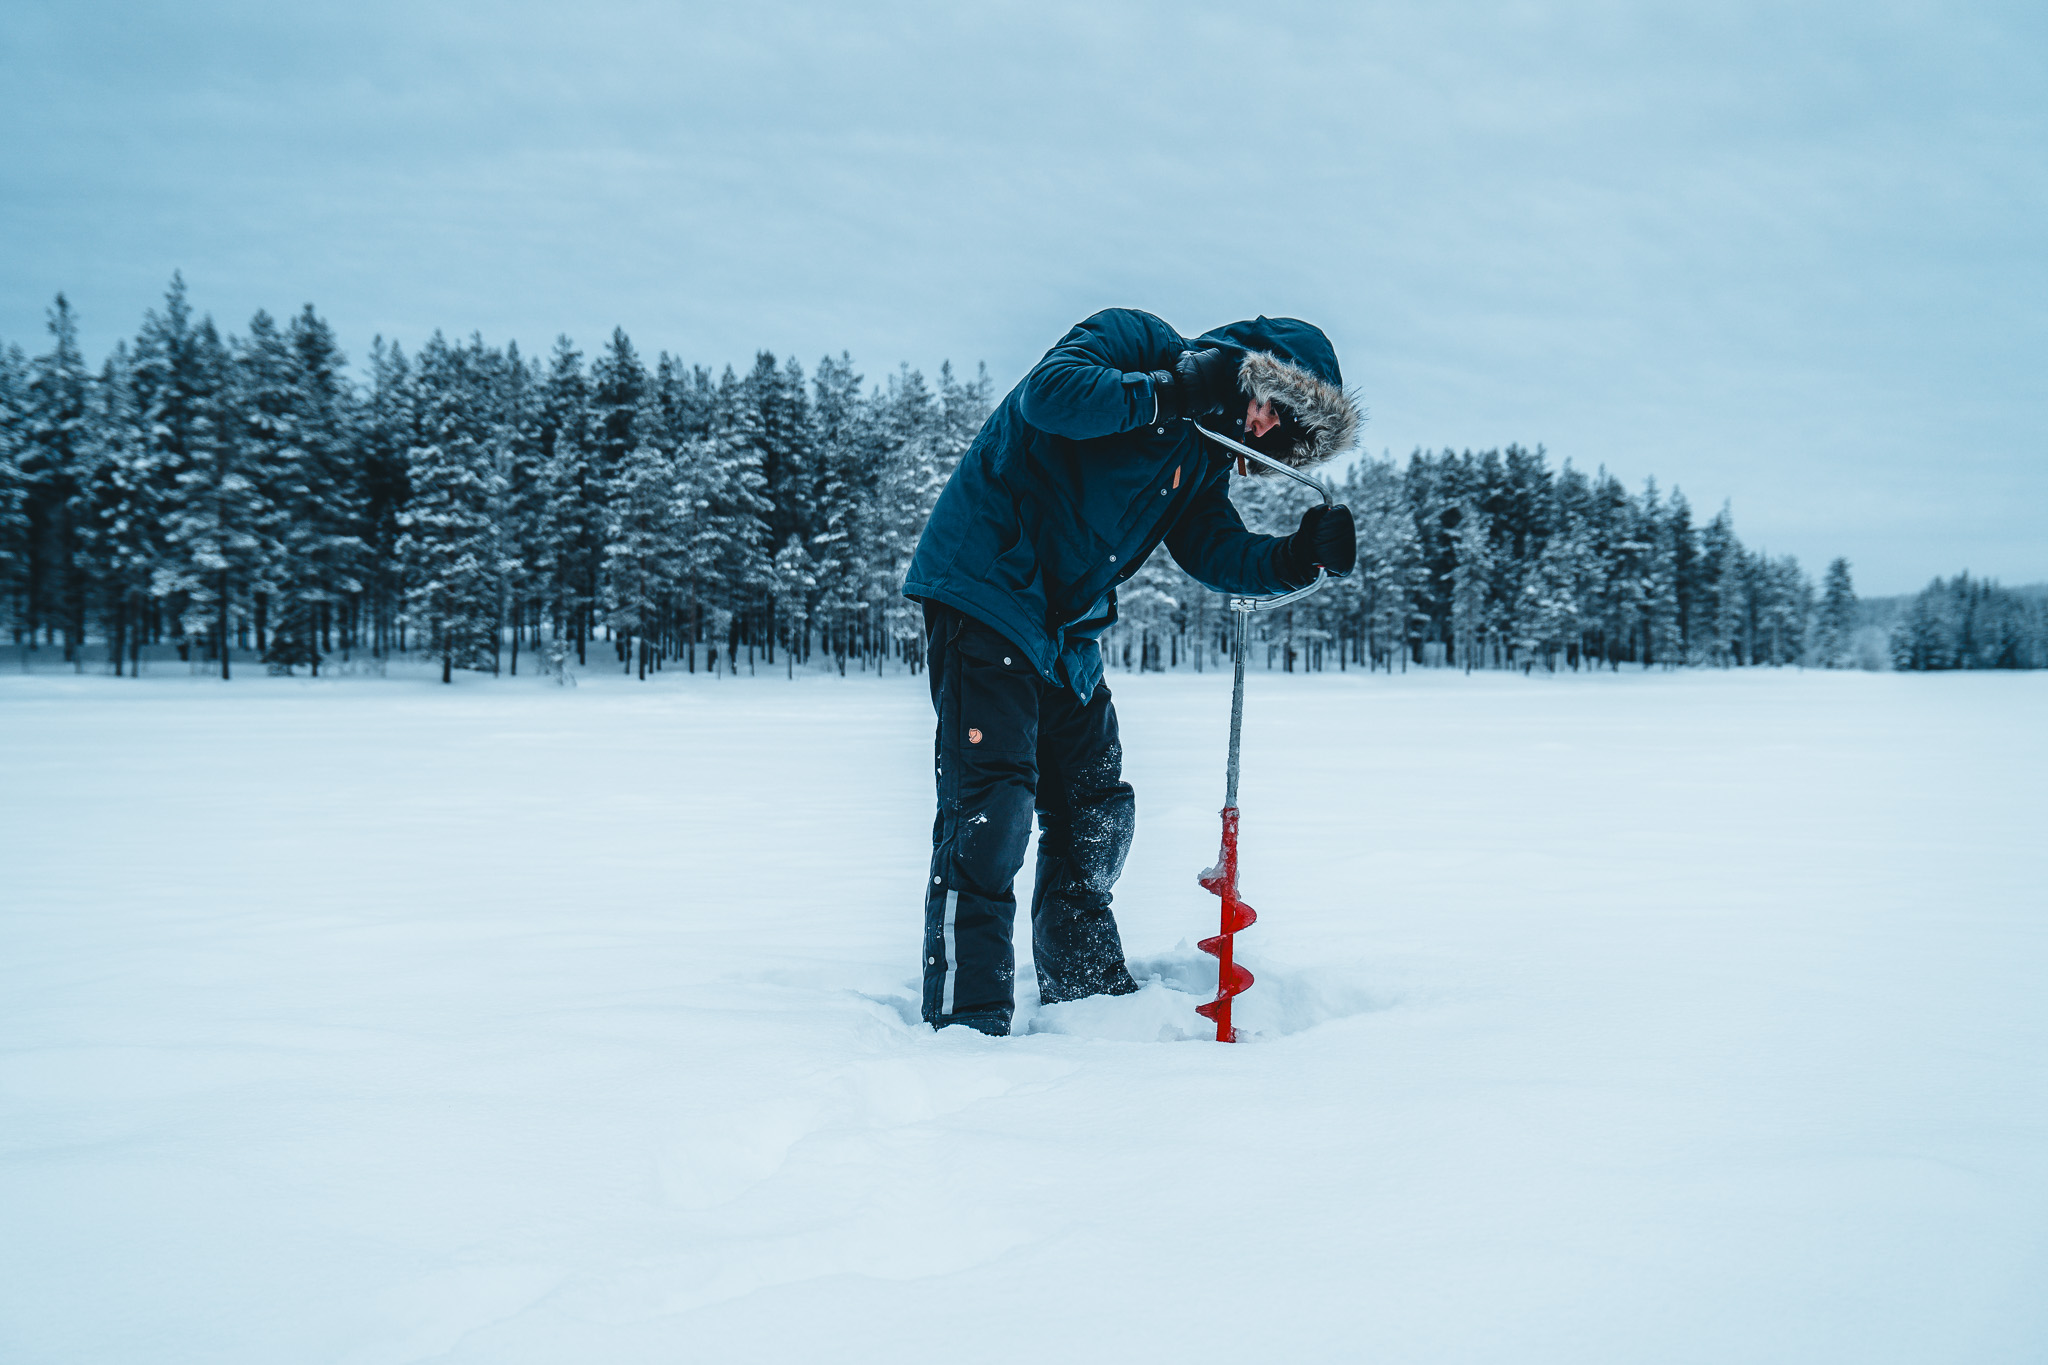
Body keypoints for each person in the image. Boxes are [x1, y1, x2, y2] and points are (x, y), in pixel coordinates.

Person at [903, 308, 1361, 1035]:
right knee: (994, 807)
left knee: (1096, 807)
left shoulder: (1200, 457)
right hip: (987, 584)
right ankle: (967, 1019)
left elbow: (1213, 546)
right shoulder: (1135, 342)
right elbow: (1050, 396)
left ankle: (1083, 987)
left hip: (1063, 627)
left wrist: (1294, 556)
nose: (1268, 433)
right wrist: (1177, 388)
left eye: (1291, 436)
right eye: (1277, 408)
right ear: (1254, 369)